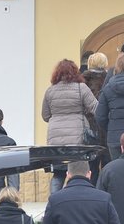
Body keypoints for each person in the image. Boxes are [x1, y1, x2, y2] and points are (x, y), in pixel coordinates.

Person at [41, 58, 99, 194]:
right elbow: (96, 108)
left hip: (55, 141)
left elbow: (45, 116)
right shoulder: (81, 88)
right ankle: (82, 200)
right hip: (77, 140)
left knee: (58, 174)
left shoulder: (50, 91)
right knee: (80, 173)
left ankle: (53, 203)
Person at [81, 52, 110, 177]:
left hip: (88, 128)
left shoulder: (82, 81)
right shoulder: (109, 79)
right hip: (106, 126)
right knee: (107, 164)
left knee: (91, 167)